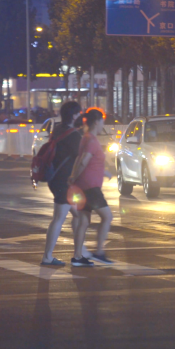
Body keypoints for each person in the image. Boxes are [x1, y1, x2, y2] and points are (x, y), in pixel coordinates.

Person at [68, 109, 114, 266]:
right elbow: (83, 161)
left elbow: (87, 161)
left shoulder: (86, 138)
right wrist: (73, 177)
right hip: (90, 188)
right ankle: (99, 252)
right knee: (107, 216)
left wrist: (104, 171)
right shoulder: (92, 141)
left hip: (83, 185)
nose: (103, 124)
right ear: (96, 122)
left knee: (84, 221)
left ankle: (78, 257)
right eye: (102, 121)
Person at [41, 101, 83, 266]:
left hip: (57, 179)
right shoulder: (73, 135)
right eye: (79, 113)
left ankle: (80, 252)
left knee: (79, 214)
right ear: (74, 115)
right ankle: (47, 256)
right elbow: (82, 157)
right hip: (64, 182)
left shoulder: (58, 129)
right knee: (58, 218)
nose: (81, 116)